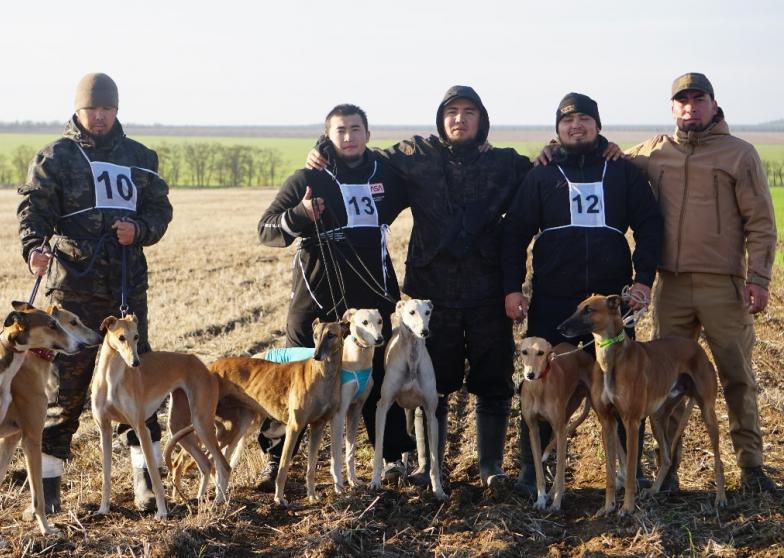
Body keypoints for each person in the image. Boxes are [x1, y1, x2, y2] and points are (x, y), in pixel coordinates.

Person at [309, 86, 532, 489]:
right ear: (440, 118)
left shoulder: (504, 163)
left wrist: (559, 150)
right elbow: (357, 155)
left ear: (482, 120)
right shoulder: (416, 154)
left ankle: (491, 467)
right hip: (430, 293)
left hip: (486, 289)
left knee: (493, 376)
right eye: (452, 112)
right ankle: (429, 467)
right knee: (432, 379)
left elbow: (546, 173)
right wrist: (321, 150)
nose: (459, 119)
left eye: (469, 112)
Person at [17, 72, 174, 512]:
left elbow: (160, 210)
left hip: (125, 290)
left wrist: (140, 228)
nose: (99, 117)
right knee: (61, 393)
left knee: (135, 388)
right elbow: (34, 208)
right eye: (92, 109)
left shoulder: (141, 157)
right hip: (72, 293)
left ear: (117, 109)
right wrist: (33, 248)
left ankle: (147, 483)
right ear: (78, 110)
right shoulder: (56, 156)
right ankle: (46, 490)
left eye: (106, 109)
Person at [501, 92, 662, 496]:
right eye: (568, 121)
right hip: (555, 301)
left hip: (609, 306)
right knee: (539, 383)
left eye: (585, 119)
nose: (577, 126)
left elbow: (650, 225)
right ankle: (532, 470)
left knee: (625, 387)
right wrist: (511, 288)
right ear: (557, 129)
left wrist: (643, 280)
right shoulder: (541, 175)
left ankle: (630, 473)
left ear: (597, 125)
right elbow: (515, 231)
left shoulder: (622, 171)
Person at [625, 73, 778, 492]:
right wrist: (555, 150)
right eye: (682, 101)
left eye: (698, 99)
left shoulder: (739, 155)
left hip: (722, 286)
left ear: (713, 104)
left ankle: (751, 469)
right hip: (670, 287)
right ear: (673, 108)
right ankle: (667, 470)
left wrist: (759, 278)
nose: (690, 107)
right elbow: (609, 160)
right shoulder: (656, 151)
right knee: (665, 382)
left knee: (736, 376)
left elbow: (762, 222)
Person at [255, 103, 414, 490]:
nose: (349, 137)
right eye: (340, 131)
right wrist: (299, 215)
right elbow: (266, 229)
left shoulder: (387, 175)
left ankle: (391, 457)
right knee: (296, 380)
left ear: (368, 134)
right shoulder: (309, 177)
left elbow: (424, 172)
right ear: (328, 136)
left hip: (370, 300)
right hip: (315, 303)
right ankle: (277, 460)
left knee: (377, 376)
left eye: (356, 129)